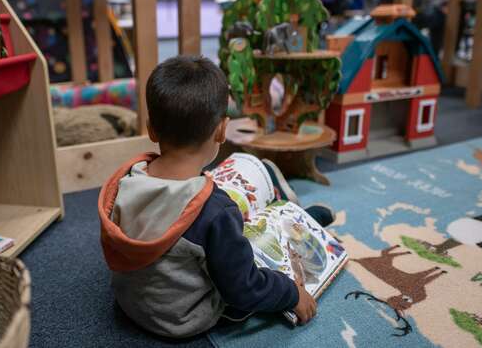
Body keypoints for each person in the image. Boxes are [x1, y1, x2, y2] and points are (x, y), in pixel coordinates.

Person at [98, 56, 320, 338]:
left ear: (151, 128)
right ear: (222, 130)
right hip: (181, 318)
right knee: (254, 246)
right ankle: (299, 216)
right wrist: (291, 294)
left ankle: (295, 213)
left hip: (129, 302)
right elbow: (244, 289)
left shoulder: (127, 179)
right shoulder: (214, 209)